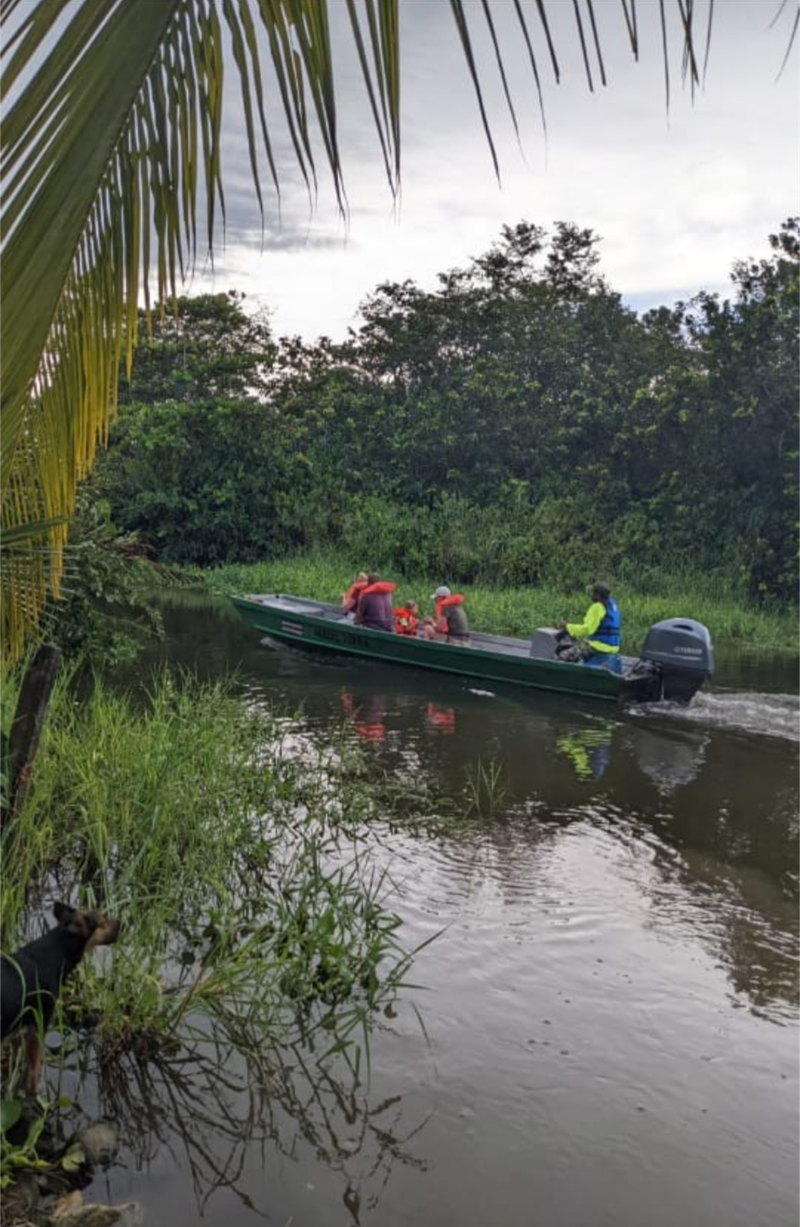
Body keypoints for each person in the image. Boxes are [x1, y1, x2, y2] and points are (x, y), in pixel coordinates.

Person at [556, 581, 621, 670]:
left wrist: (568, 627)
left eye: (593, 592)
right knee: (576, 646)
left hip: (597, 647)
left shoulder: (597, 607)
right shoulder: (612, 606)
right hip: (613, 649)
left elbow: (588, 629)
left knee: (562, 657)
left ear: (598, 594)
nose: (591, 595)